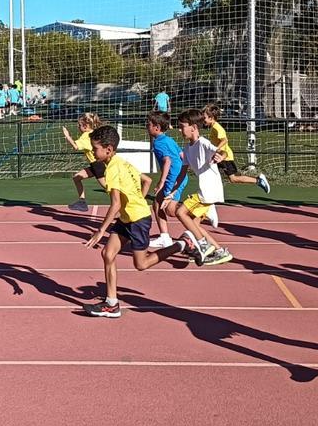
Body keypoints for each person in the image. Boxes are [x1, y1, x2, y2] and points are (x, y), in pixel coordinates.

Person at [83, 125, 194, 318]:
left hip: (137, 220)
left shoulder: (114, 169)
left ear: (108, 149)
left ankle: (182, 244)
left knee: (141, 265)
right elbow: (147, 181)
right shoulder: (122, 161)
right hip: (130, 216)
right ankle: (112, 304)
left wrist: (101, 230)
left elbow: (116, 204)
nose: (93, 153)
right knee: (108, 254)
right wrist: (138, 200)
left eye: (95, 149)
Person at [170, 108, 234, 265]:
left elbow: (222, 151)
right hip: (205, 190)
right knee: (193, 223)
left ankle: (203, 245)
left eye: (182, 126)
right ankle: (219, 251)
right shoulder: (187, 148)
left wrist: (221, 157)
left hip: (209, 190)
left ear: (193, 127)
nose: (179, 130)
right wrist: (171, 193)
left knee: (180, 212)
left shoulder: (204, 143)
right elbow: (182, 173)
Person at [202, 104, 270, 194]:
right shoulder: (213, 128)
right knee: (210, 172)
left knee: (233, 178)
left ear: (211, 117)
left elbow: (224, 140)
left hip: (225, 157)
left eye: (204, 118)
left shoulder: (217, 128)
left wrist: (215, 148)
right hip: (219, 156)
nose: (203, 120)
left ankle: (258, 180)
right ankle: (210, 193)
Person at [147, 110, 185, 249]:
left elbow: (167, 161)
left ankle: (199, 211)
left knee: (170, 210)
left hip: (173, 178)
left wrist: (161, 182)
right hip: (179, 176)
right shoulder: (169, 139)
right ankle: (165, 237)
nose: (147, 127)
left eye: (149, 124)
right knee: (157, 203)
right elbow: (181, 155)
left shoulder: (158, 143)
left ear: (156, 127)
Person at [63, 113, 106, 212]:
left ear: (85, 126)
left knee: (108, 189)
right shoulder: (94, 133)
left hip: (97, 165)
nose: (78, 127)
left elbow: (75, 146)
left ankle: (125, 203)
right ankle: (82, 202)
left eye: (79, 125)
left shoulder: (86, 136)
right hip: (95, 165)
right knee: (77, 177)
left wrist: (67, 136)